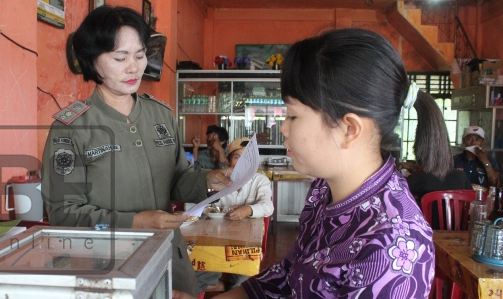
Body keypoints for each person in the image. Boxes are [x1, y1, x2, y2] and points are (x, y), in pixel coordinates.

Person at [174, 28, 439, 299]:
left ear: (349, 129)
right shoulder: (325, 190)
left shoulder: (390, 247)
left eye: (293, 116)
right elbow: (291, 274)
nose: (283, 128)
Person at [40, 6, 230, 297]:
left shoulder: (161, 116)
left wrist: (208, 180)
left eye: (140, 55)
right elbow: (65, 215)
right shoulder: (73, 127)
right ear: (92, 60)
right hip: (108, 270)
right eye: (120, 58)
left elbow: (178, 179)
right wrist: (135, 222)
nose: (134, 67)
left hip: (170, 260)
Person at [196, 137, 274, 293]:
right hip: (217, 235)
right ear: (227, 159)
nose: (243, 163)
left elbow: (268, 206)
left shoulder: (260, 181)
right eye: (237, 157)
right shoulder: (219, 180)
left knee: (241, 281)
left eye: (248, 159)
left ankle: (230, 287)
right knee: (204, 265)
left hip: (245, 241)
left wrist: (248, 209)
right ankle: (215, 283)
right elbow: (208, 206)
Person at [403, 92, 472, 229]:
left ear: (419, 151)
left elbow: (405, 212)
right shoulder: (461, 176)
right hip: (459, 237)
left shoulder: (415, 179)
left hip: (426, 236)